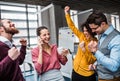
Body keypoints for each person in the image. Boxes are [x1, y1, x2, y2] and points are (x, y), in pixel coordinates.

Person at [64, 6, 97, 81]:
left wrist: (84, 49)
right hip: (76, 70)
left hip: (87, 75)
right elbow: (72, 27)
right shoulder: (82, 36)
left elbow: (91, 61)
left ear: (92, 30)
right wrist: (67, 14)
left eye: (87, 31)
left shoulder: (96, 43)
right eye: (84, 30)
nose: (85, 33)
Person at [87, 10, 120, 81]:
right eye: (91, 29)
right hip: (101, 76)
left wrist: (95, 52)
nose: (92, 31)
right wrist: (95, 65)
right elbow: (104, 54)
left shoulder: (117, 38)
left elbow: (114, 66)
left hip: (111, 79)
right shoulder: (102, 34)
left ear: (103, 24)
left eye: (94, 28)